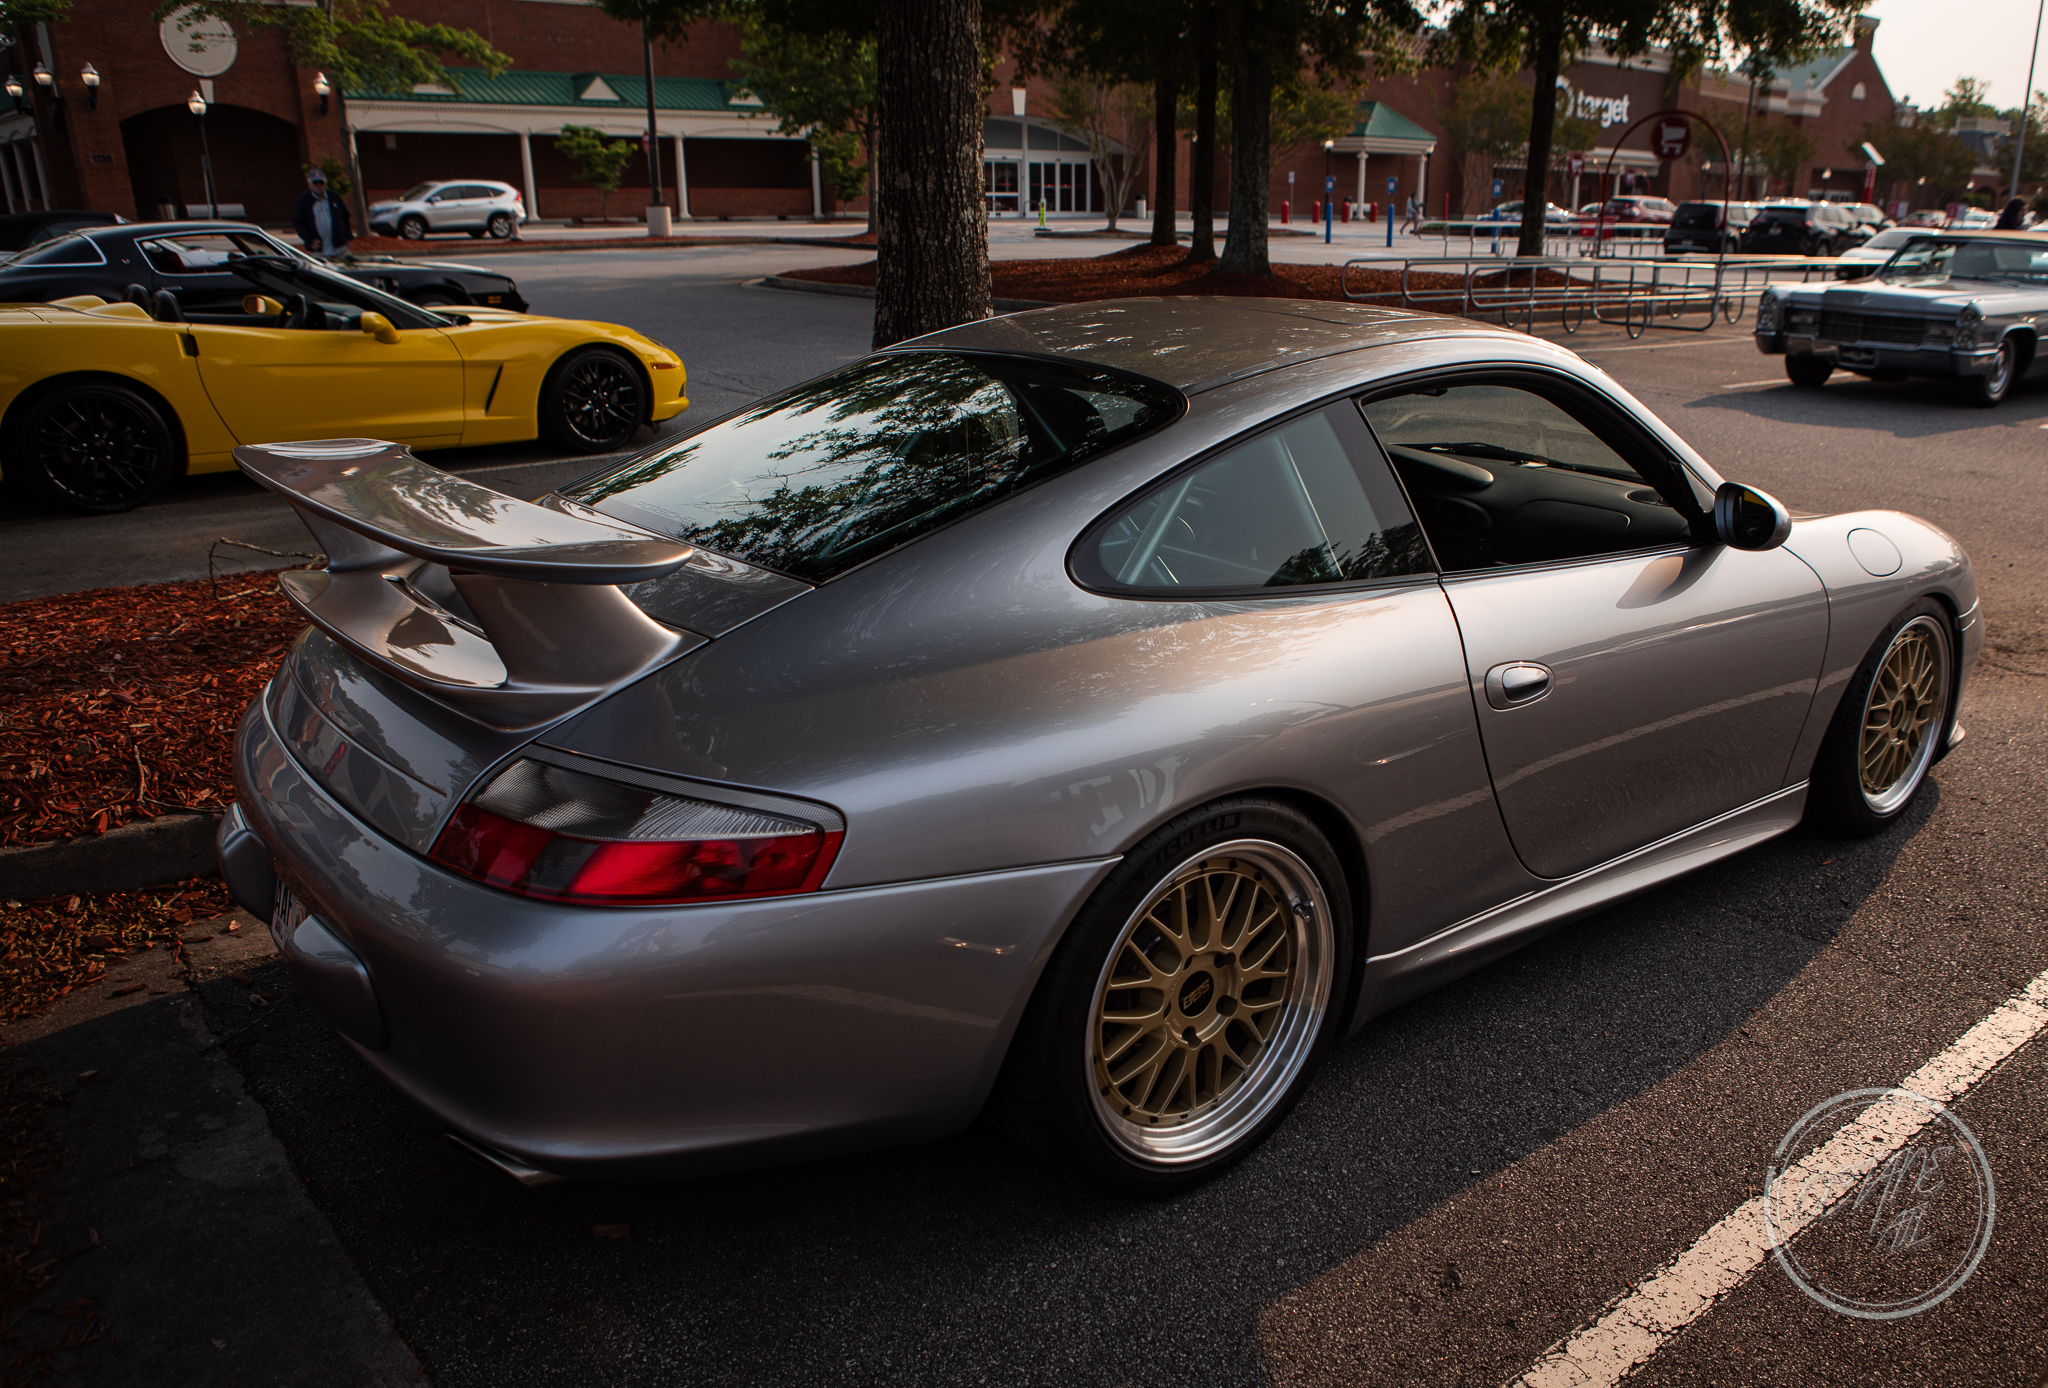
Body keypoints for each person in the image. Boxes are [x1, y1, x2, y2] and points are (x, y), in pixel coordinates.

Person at [293, 168, 353, 258]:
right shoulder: (304, 200)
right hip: (319, 251)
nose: (319, 185)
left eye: (321, 182)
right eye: (315, 183)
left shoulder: (334, 197)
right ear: (310, 184)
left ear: (325, 183)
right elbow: (298, 222)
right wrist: (309, 239)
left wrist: (348, 236)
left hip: (341, 248)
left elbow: (345, 216)